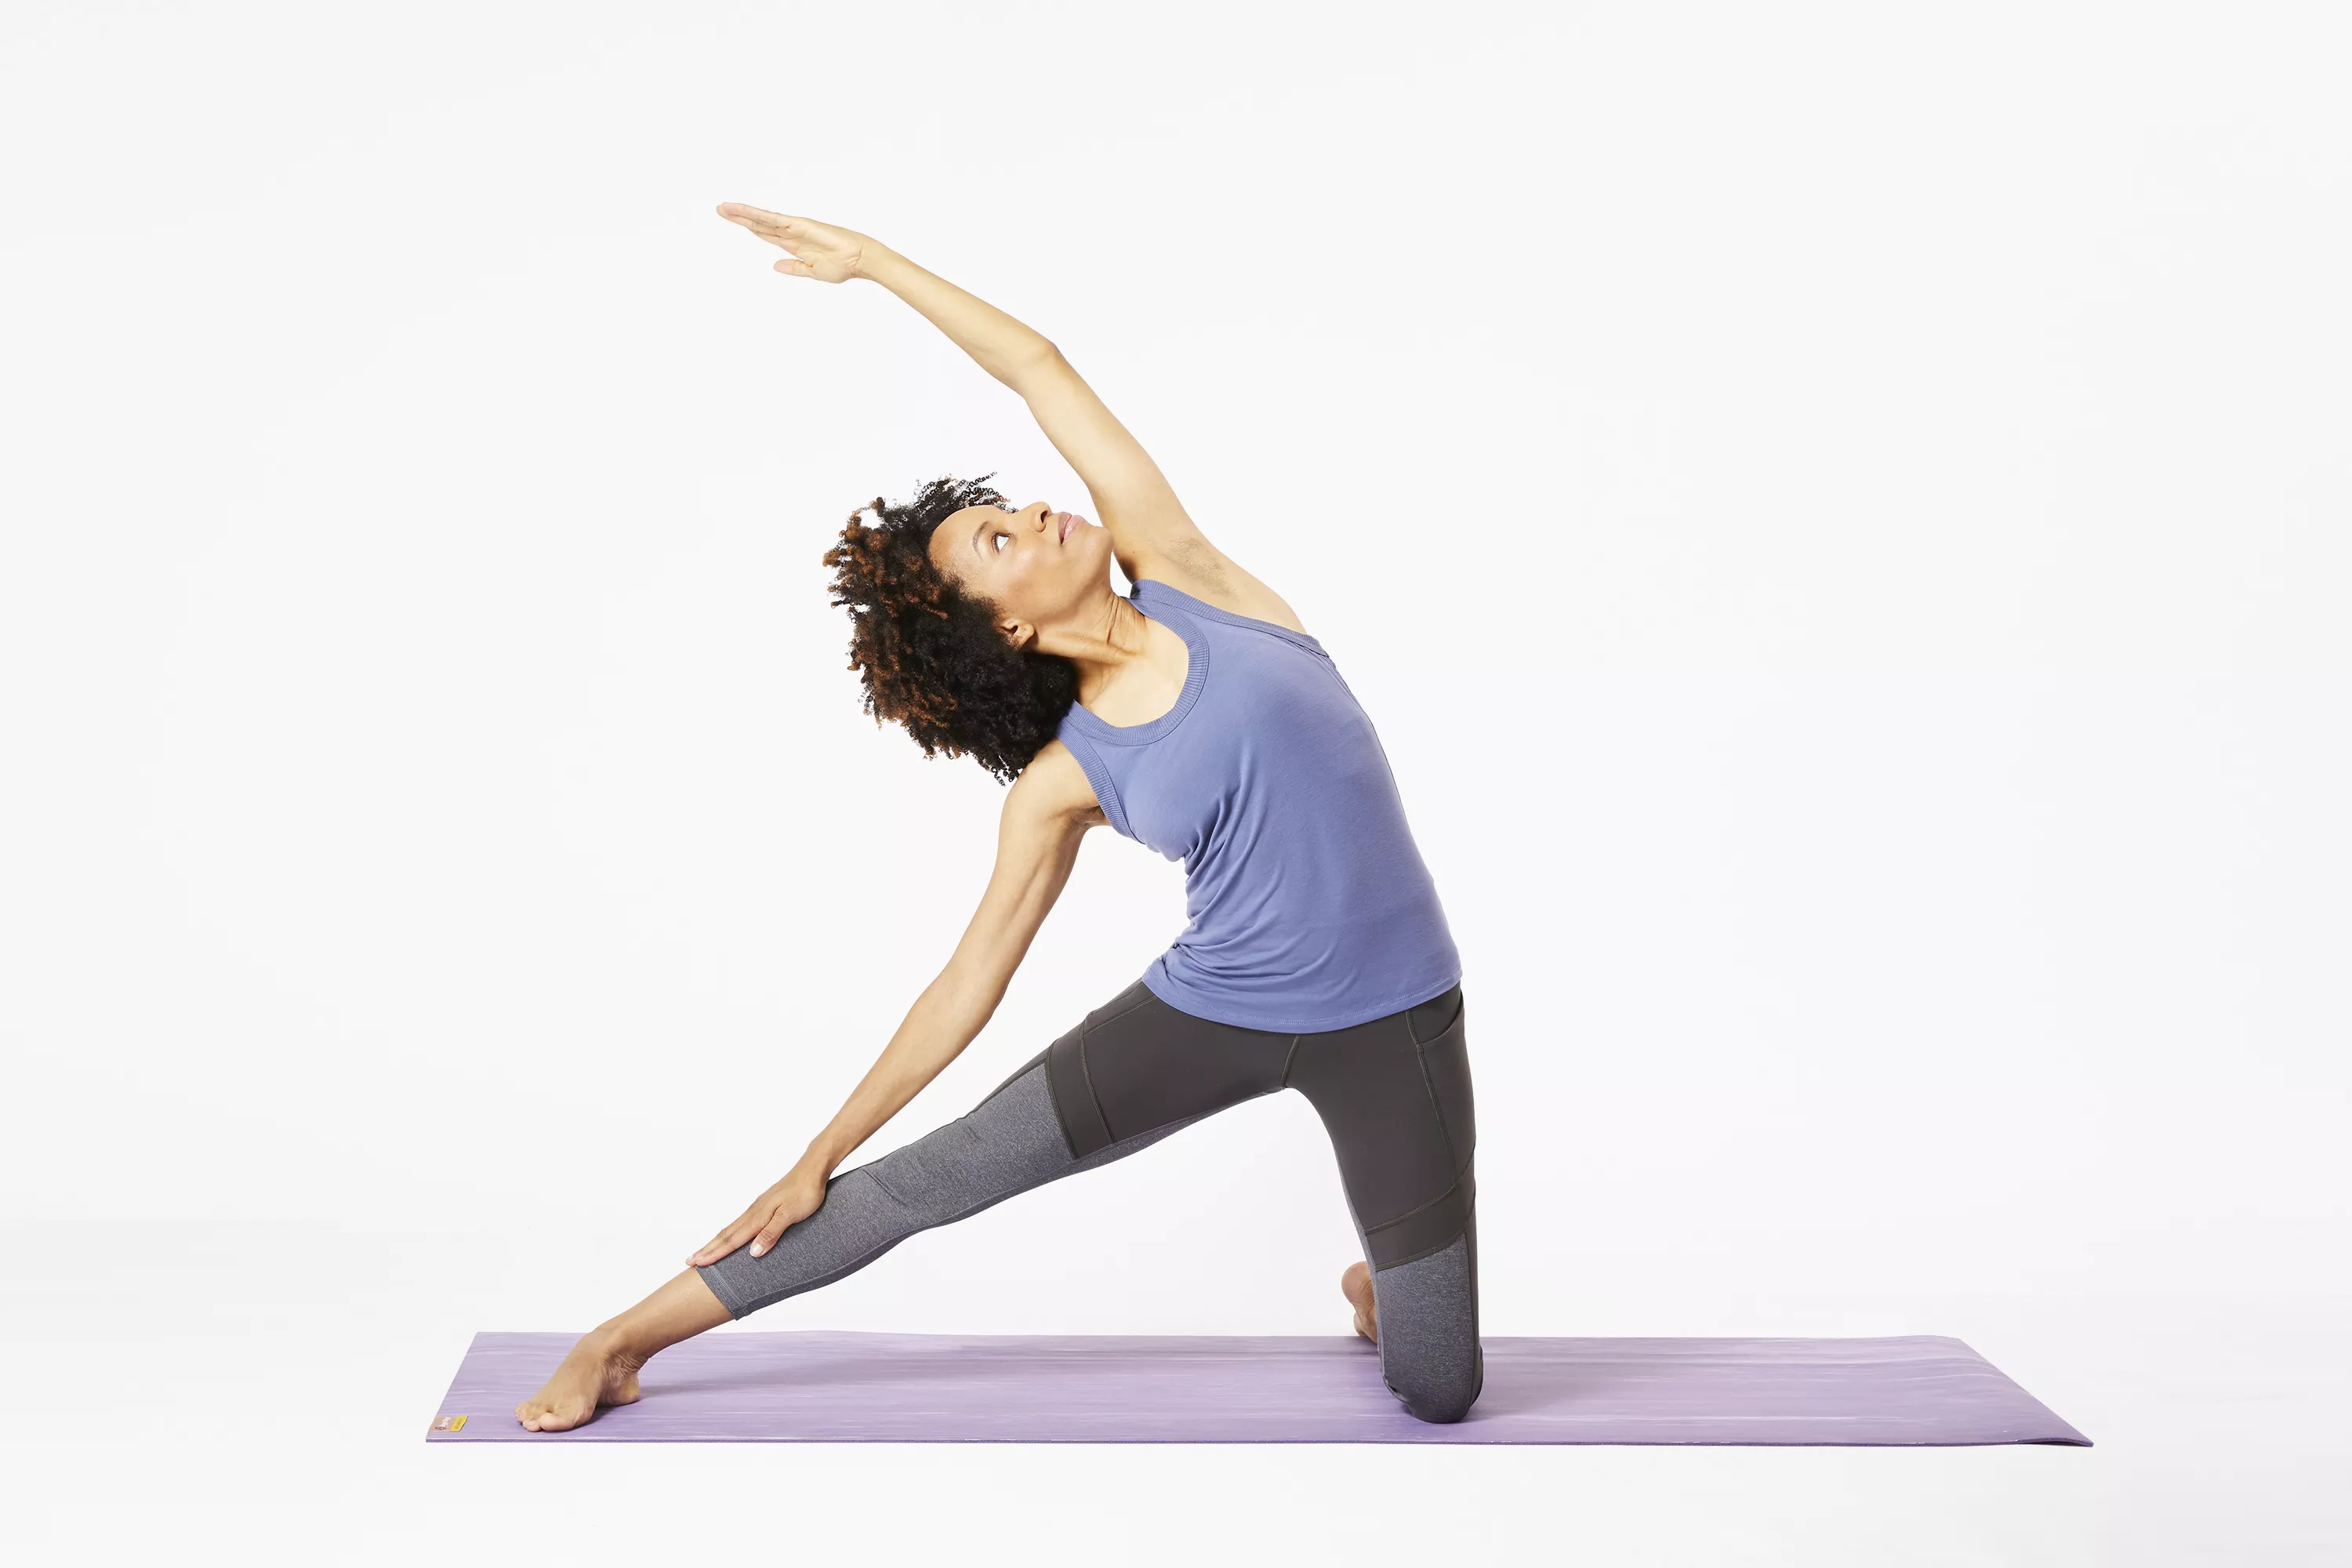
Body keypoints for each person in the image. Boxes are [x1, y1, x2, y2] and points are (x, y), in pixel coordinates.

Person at [514, 205, 1482, 1432]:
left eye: (1010, 508)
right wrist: (816, 1152)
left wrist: (873, 264)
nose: (1035, 512)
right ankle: (621, 1336)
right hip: (1211, 1013)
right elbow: (967, 981)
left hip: (1396, 1015)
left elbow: (1039, 366)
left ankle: (1381, 1291)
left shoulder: (1193, 575)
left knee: (1441, 1388)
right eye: (1001, 538)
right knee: (935, 1180)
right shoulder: (1064, 780)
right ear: (1004, 629)